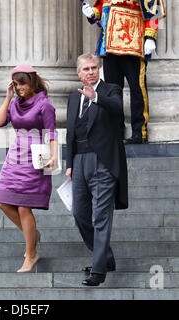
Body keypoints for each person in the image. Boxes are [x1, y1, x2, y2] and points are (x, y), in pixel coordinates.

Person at [65, 53, 128, 286]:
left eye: (94, 68)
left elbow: (117, 108)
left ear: (99, 69)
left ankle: (98, 270)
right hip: (79, 162)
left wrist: (97, 97)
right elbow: (70, 133)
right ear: (78, 73)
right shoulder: (73, 98)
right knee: (80, 215)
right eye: (86, 69)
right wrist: (69, 164)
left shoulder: (111, 90)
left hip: (103, 161)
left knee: (100, 216)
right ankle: (107, 257)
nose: (91, 72)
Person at [0, 64, 57, 273]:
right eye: (16, 84)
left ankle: (31, 254)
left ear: (32, 81)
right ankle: (33, 235)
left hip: (38, 153)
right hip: (15, 155)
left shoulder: (44, 104)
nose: (20, 87)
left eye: (22, 83)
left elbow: (51, 133)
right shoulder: (14, 104)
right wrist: (8, 97)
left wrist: (55, 155)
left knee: (23, 206)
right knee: (3, 201)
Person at [82, 0, 166, 144]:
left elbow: (153, 9)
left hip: (134, 42)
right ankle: (116, 131)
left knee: (137, 89)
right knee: (112, 91)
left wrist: (150, 36)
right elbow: (102, 8)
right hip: (109, 45)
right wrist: (93, 13)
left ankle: (139, 132)